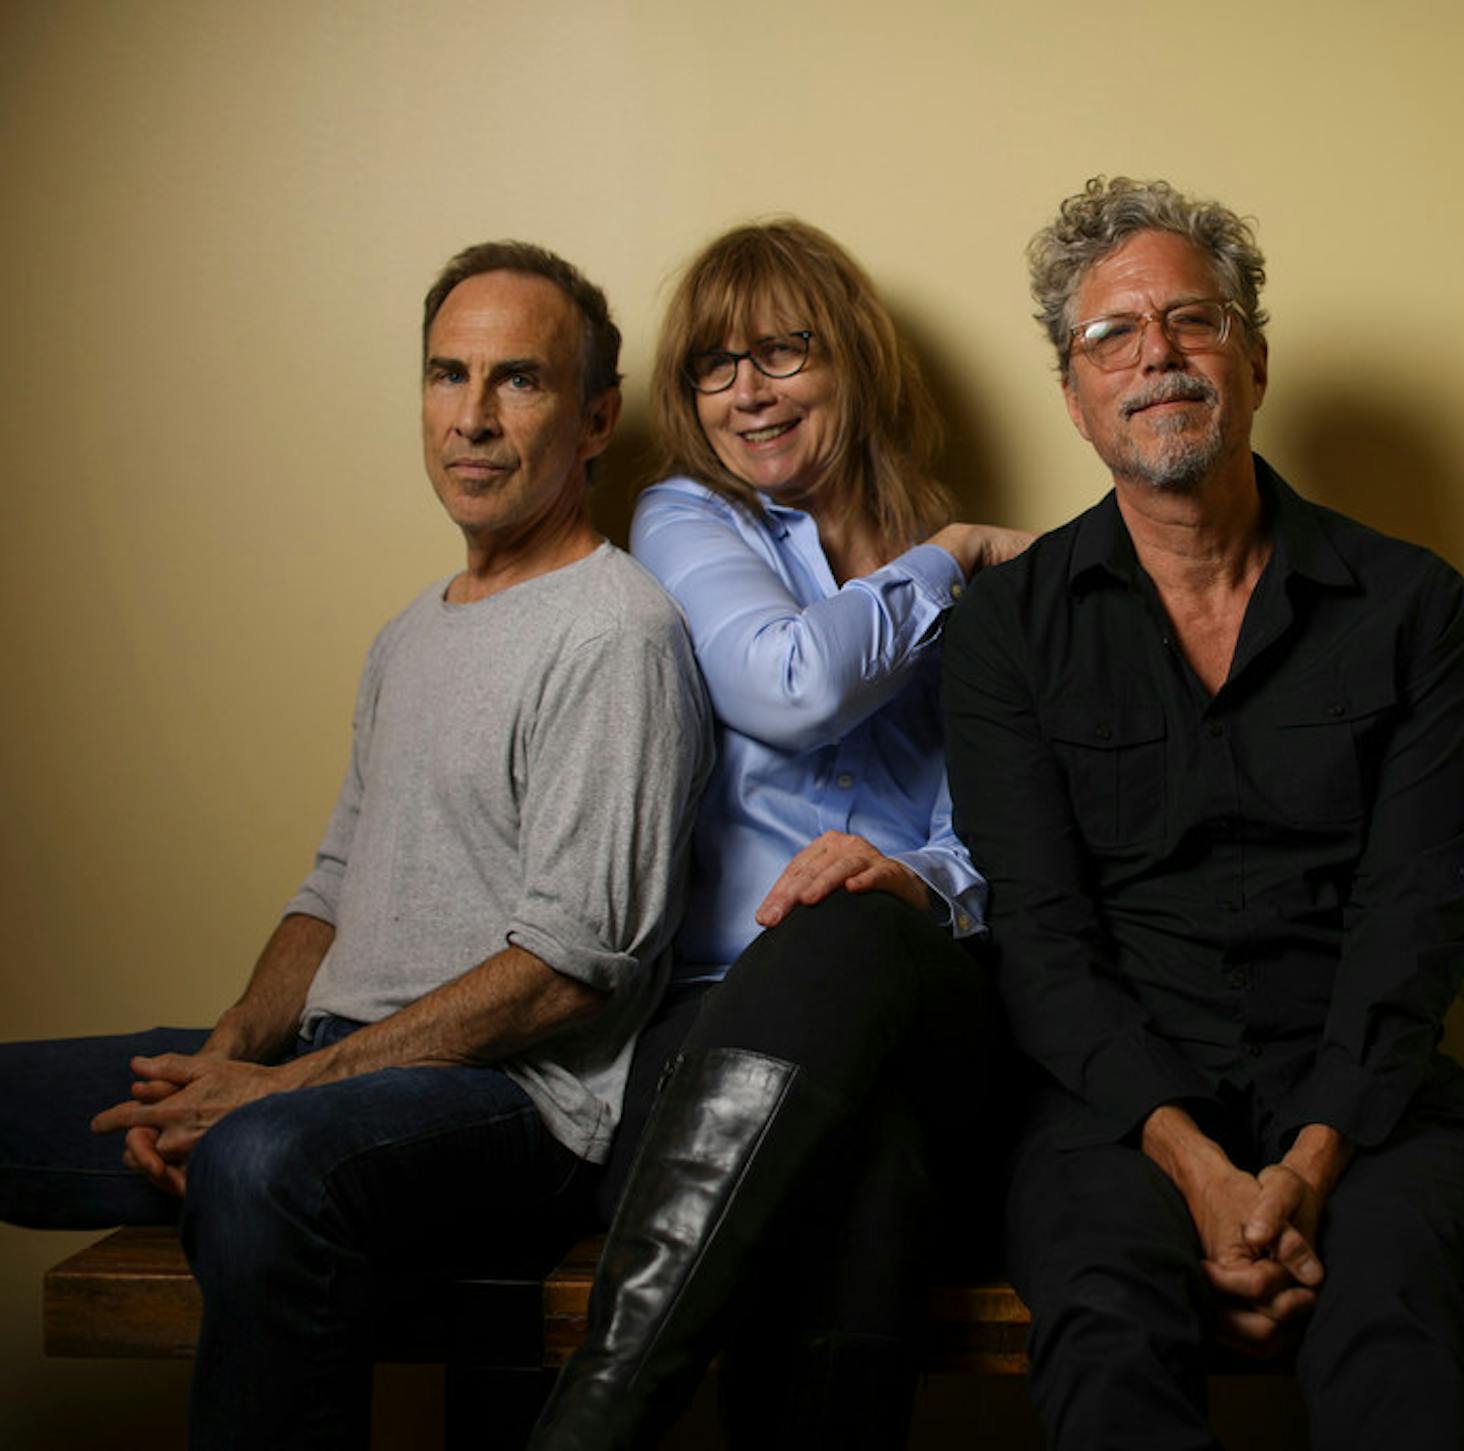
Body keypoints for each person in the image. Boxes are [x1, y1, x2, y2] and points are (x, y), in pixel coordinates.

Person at [0, 241, 713, 1449]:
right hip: (333, 1073)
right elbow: (330, 888)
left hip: (508, 1110)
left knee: (265, 1161)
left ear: (595, 420)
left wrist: (274, 1098)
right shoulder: (407, 636)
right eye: (447, 376)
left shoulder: (617, 633)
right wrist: (223, 1061)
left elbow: (567, 965)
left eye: (518, 382)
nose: (472, 418)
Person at [943, 176, 1464, 1451]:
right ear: (1075, 394)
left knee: (1405, 1335)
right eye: (1112, 336)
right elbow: (1041, 936)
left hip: (1371, 1099)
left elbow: (1416, 914)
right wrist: (1199, 1169)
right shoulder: (1005, 637)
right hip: (1113, 1109)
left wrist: (1303, 1170)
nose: (1158, 356)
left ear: (1252, 357)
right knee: (1104, 1332)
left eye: (1193, 320)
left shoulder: (1414, 607)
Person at [529, 219, 1033, 1451]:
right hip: (715, 1024)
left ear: (852, 357)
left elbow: (997, 838)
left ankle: (589, 1428)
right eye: (714, 365)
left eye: (783, 352)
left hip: (927, 1003)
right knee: (870, 1174)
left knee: (855, 916)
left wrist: (913, 875)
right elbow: (785, 683)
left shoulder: (985, 594)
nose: (747, 393)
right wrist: (954, 551)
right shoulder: (691, 521)